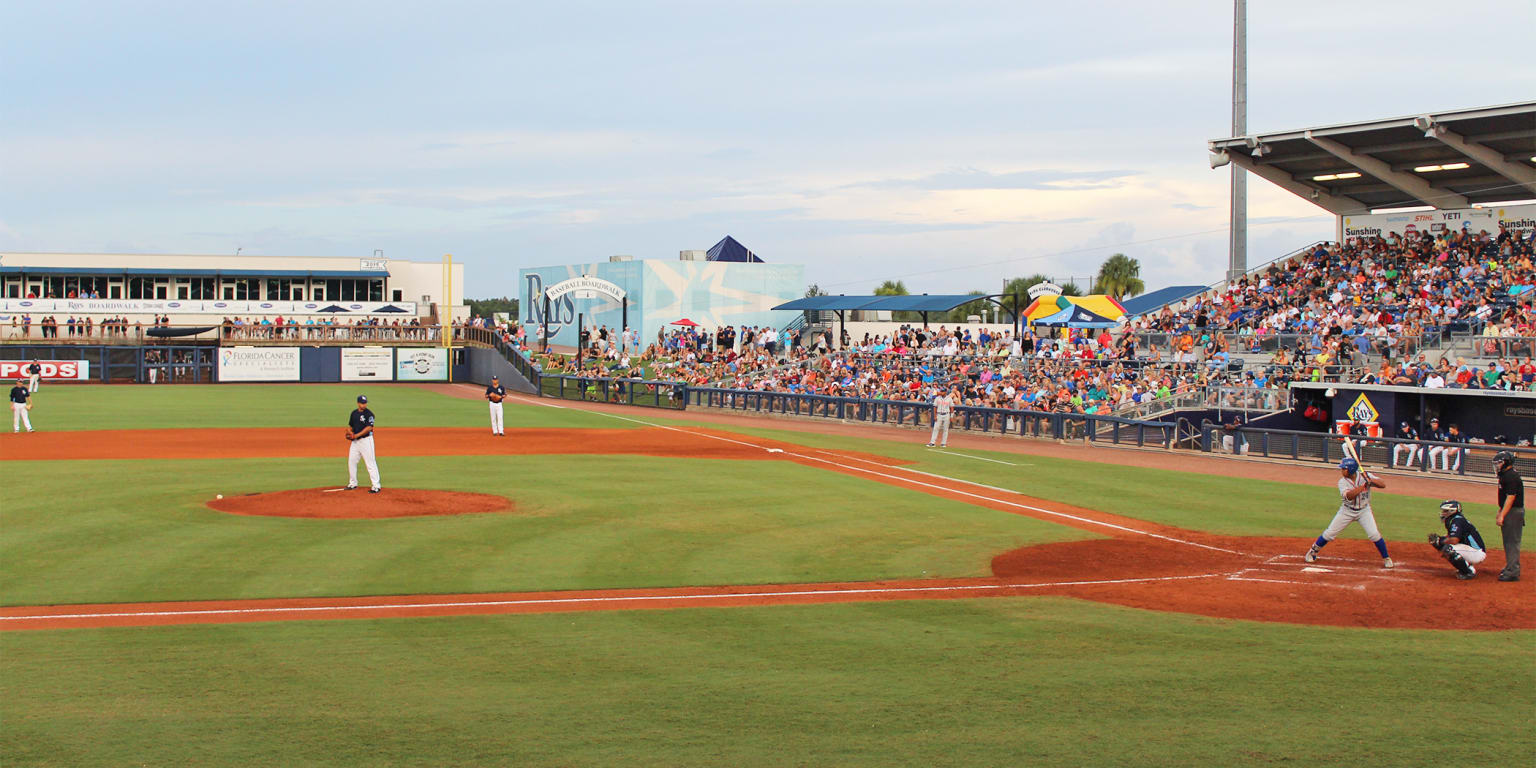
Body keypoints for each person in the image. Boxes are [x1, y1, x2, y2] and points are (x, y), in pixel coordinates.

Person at [1304, 457, 1394, 568]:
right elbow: (1349, 496)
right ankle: (1313, 551)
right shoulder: (1342, 482)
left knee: (1374, 535)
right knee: (1329, 533)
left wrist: (1371, 480)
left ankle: (1386, 558)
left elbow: (1383, 484)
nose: (1341, 471)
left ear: (1351, 469)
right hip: (1347, 511)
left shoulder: (1365, 475)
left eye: (1344, 469)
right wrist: (1364, 486)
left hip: (1364, 511)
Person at [1427, 500, 1487, 580]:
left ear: (1452, 511)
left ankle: (1468, 571)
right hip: (1470, 549)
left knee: (1448, 549)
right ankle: (1466, 565)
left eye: (1445, 511)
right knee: (1441, 544)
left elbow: (1454, 540)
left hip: (1477, 552)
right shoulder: (1454, 519)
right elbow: (1451, 537)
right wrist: (1440, 541)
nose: (1443, 513)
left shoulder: (1457, 521)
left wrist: (1441, 541)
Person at [1494, 450, 1524, 582]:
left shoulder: (1511, 476)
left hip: (1513, 512)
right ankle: (1510, 567)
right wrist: (1500, 510)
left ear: (1506, 462)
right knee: (1508, 541)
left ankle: (1512, 571)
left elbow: (1511, 498)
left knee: (1512, 542)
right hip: (1509, 511)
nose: (1497, 466)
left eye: (1499, 463)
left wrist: (1502, 515)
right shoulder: (1506, 475)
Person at [344, 394, 381, 493]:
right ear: (358, 403)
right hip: (355, 443)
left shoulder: (369, 414)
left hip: (366, 441)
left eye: (365, 403)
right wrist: (349, 432)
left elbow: (369, 427)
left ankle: (376, 486)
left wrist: (356, 435)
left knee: (370, 463)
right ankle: (353, 483)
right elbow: (350, 426)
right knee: (351, 461)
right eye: (362, 403)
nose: (364, 405)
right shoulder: (354, 413)